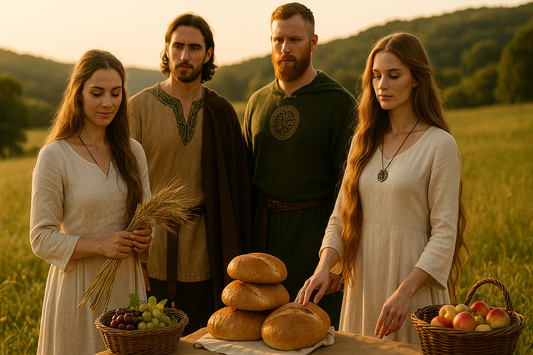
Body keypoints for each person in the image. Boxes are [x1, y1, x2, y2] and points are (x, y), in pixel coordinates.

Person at [296, 32, 469, 344]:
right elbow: (340, 218)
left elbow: (445, 233)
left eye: (394, 75)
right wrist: (324, 268)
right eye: (376, 76)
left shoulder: (440, 144)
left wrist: (404, 293)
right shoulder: (363, 141)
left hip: (413, 288)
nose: (382, 85)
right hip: (363, 286)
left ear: (416, 79)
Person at [130, 13, 251, 335]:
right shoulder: (137, 109)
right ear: (167, 50)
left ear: (208, 54)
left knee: (204, 339)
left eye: (194, 48)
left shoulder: (221, 110)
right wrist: (135, 261)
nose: (185, 56)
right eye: (178, 46)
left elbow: (237, 189)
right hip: (151, 252)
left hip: (207, 251)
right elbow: (124, 188)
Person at [30, 50, 153, 354]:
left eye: (115, 93)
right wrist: (100, 244)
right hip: (79, 291)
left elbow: (150, 219)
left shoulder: (133, 151)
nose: (107, 103)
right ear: (79, 94)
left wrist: (147, 238)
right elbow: (41, 238)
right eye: (97, 93)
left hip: (128, 287)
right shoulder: (55, 156)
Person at [242, 2, 355, 329]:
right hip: (265, 244)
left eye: (294, 40)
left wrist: (337, 266)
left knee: (318, 334)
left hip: (316, 243)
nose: (284, 48)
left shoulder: (338, 103)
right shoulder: (257, 102)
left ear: (313, 42)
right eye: (278, 40)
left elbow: (351, 192)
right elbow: (247, 183)